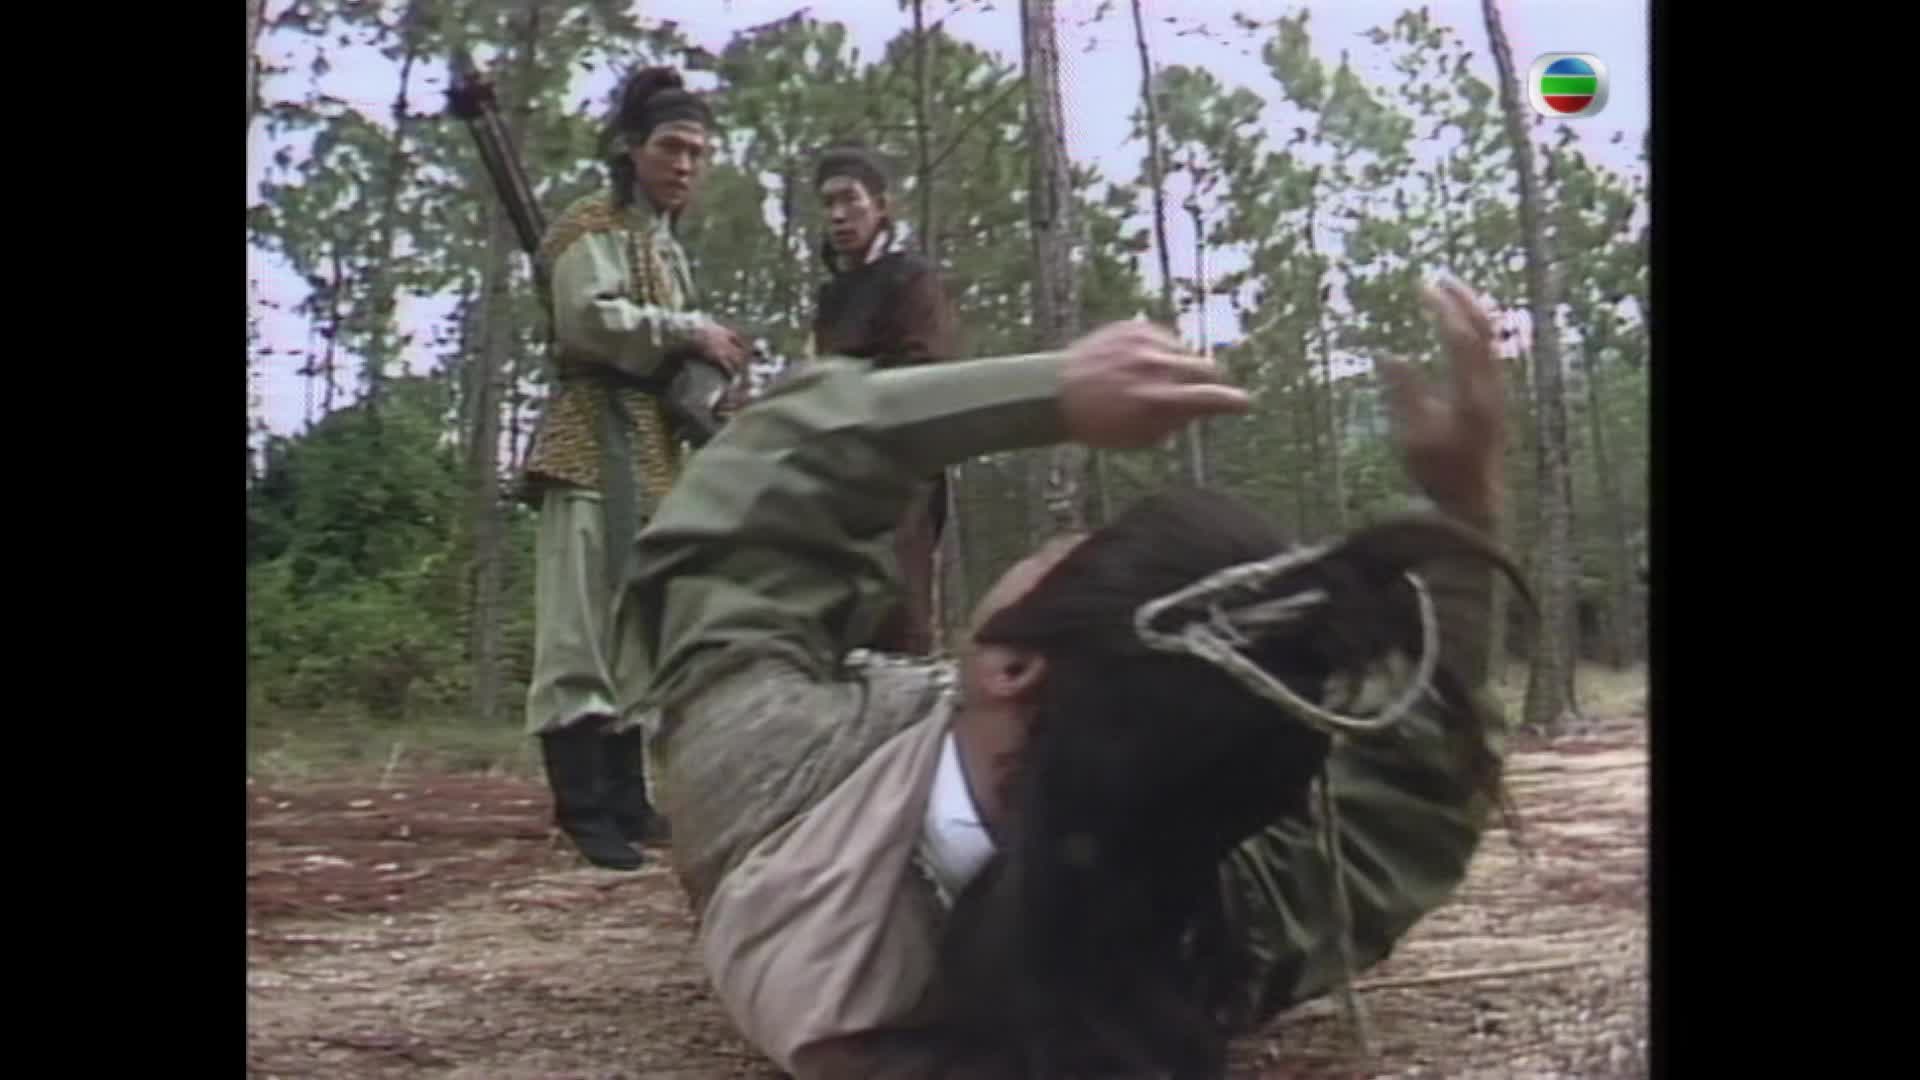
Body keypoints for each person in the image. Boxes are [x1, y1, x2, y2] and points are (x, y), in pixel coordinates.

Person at [613, 279, 1515, 1075]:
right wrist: (1463, 507)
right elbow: (1416, 789)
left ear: (1010, 667)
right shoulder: (1229, 933)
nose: (1062, 538)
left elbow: (767, 472)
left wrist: (1049, 392)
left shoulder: (771, 767)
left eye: (1079, 552)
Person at [518, 66, 749, 873]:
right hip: (590, 443)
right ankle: (582, 807)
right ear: (632, 148)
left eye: (697, 153)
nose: (684, 164)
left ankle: (625, 799)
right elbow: (588, 319)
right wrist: (687, 332)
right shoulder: (590, 224)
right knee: (579, 625)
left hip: (650, 451)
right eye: (671, 147)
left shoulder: (664, 247)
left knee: (632, 632)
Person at [810, 143, 959, 655]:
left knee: (899, 613)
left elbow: (925, 370)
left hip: (900, 474)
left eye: (850, 199)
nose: (838, 215)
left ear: (880, 205)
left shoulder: (911, 278)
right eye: (828, 203)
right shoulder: (833, 296)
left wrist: (850, 395)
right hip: (840, 480)